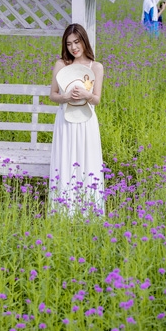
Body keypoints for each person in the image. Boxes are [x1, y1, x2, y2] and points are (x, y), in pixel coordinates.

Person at [48, 24, 105, 216]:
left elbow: (96, 99)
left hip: (87, 121)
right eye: (69, 43)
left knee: (87, 160)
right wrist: (64, 98)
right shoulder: (61, 65)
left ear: (84, 40)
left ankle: (88, 211)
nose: (74, 47)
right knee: (65, 159)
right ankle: (64, 211)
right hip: (65, 120)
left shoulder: (96, 67)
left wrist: (86, 94)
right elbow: (53, 95)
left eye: (77, 41)